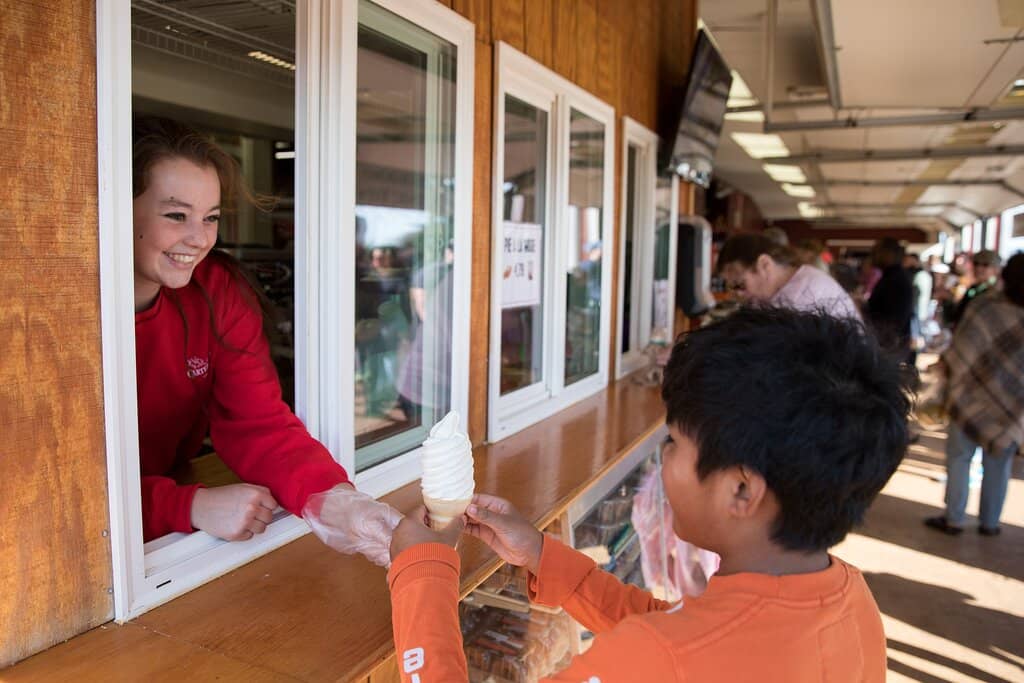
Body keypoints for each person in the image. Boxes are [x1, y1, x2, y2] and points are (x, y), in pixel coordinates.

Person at [384, 307, 911, 681]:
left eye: (673, 443)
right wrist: (544, 558)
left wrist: (422, 576)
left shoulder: (660, 660)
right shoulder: (849, 600)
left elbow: (669, 652)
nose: (665, 460)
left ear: (742, 489)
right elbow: (682, 635)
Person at [133, 117, 399, 563]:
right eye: (176, 215)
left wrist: (338, 504)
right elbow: (51, 486)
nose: (198, 239)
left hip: (162, 543)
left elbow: (258, 424)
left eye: (210, 218)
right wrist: (186, 505)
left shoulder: (216, 292)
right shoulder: (56, 314)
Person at [925, 252, 1024, 537]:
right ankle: (990, 524)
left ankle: (954, 518)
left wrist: (944, 368)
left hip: (969, 395)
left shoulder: (985, 305)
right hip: (1014, 403)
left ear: (1004, 274)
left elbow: (962, 350)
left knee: (959, 458)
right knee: (999, 462)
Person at [716, 233, 860, 320]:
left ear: (764, 264)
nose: (737, 294)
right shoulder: (791, 283)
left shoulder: (802, 296)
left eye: (739, 285)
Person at [865, 238, 914, 362]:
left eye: (876, 252)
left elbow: (892, 321)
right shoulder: (893, 277)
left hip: (889, 349)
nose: (873, 256)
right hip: (889, 347)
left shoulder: (895, 280)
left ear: (888, 254)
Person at [947, 249, 1001, 328]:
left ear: (996, 269)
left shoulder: (996, 293)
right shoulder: (975, 287)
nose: (979, 268)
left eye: (985, 265)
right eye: (976, 263)